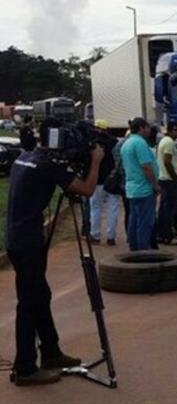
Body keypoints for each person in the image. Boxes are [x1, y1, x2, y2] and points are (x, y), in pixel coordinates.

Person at [4, 117, 104, 386]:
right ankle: (24, 368)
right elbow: (86, 189)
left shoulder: (25, 157)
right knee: (29, 303)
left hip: (17, 238)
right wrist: (95, 160)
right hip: (28, 242)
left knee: (40, 294)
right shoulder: (48, 166)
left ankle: (50, 352)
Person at [120, 117, 159, 251]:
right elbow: (146, 167)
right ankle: (143, 250)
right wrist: (154, 185)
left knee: (134, 220)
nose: (149, 130)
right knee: (145, 222)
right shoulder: (140, 143)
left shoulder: (126, 143)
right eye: (147, 127)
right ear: (141, 128)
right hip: (144, 188)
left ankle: (134, 248)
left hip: (132, 188)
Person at [88, 120, 120, 245]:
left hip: (97, 180)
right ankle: (111, 236)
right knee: (113, 207)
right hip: (112, 180)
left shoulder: (91, 143)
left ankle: (95, 235)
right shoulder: (114, 142)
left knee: (95, 208)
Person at [156, 123, 177, 246]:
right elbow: (167, 162)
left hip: (163, 178)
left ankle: (161, 234)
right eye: (176, 130)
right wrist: (175, 178)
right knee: (169, 210)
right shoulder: (169, 143)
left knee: (163, 209)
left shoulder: (163, 141)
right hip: (169, 180)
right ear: (170, 131)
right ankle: (168, 236)